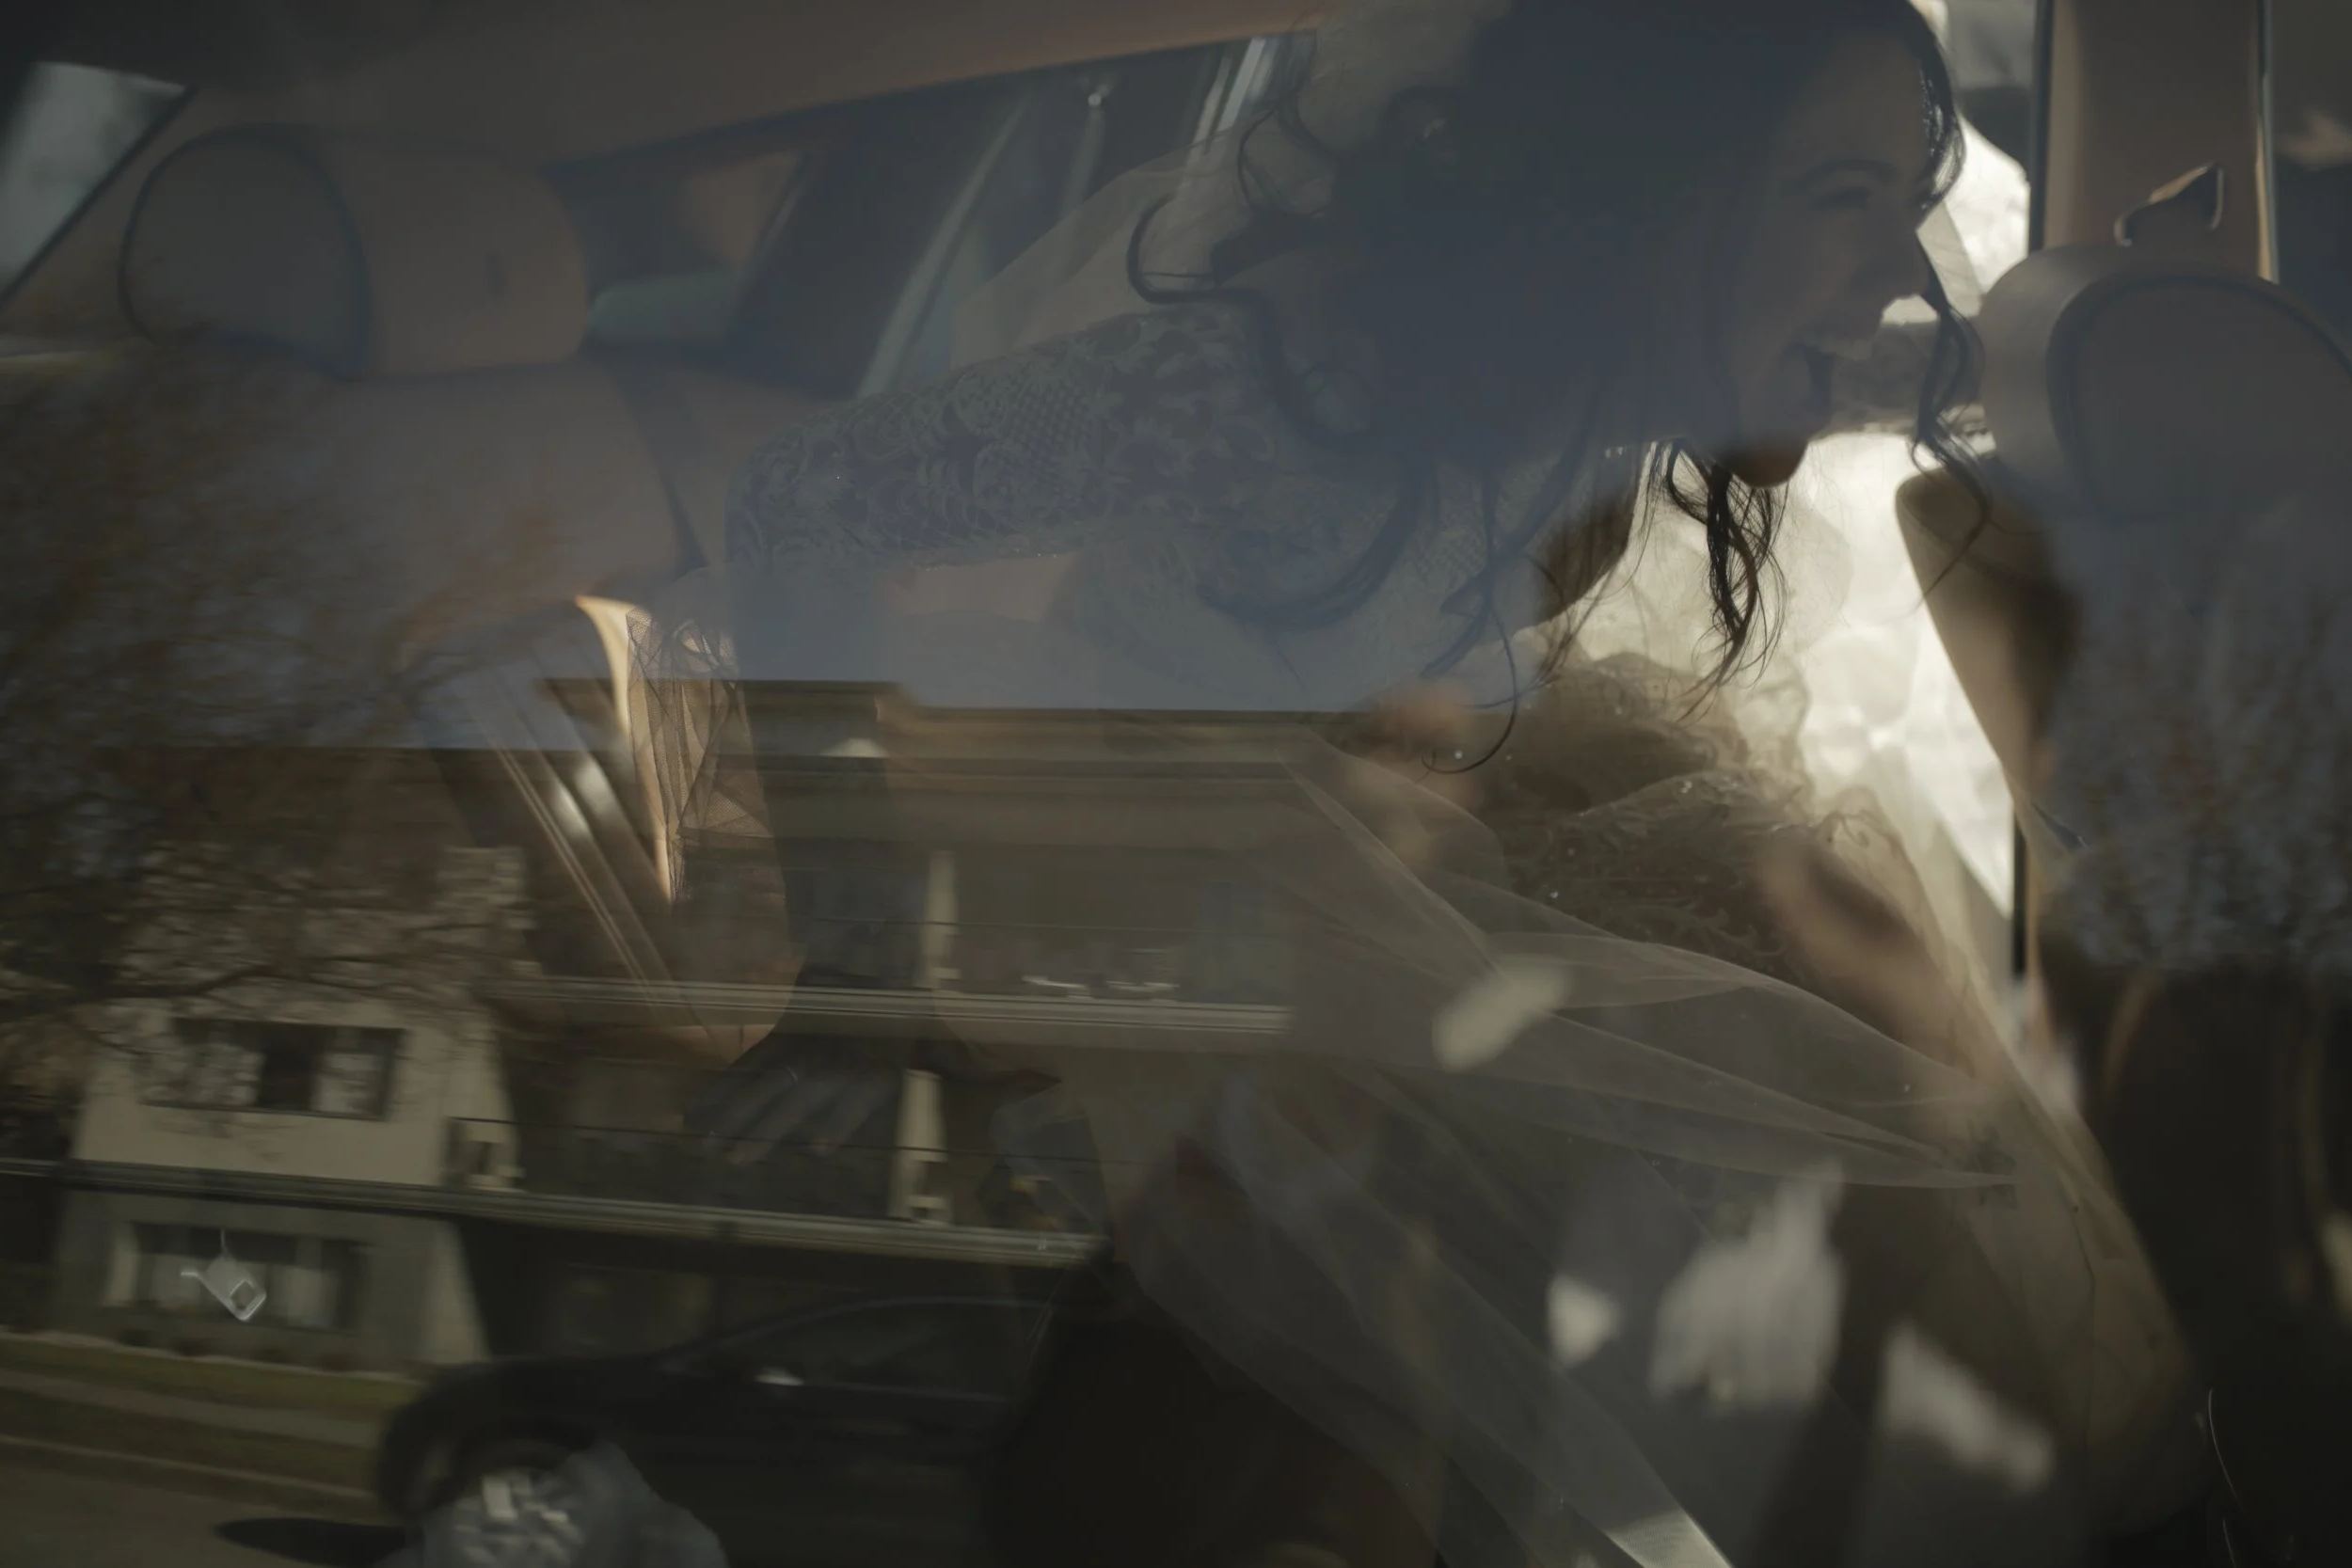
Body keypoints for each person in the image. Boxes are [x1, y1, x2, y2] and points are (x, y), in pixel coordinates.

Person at [644, 1, 2203, 1562]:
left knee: (1839, 1005)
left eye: (1901, 206)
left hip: (1417, 824)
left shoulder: (1598, 381)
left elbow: (1836, 389)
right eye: (1839, 200)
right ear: (1662, 198)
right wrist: (853, 942)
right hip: (1196, 899)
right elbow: (800, 507)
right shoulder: (1275, 385)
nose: (1898, 271)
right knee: (1730, 1114)